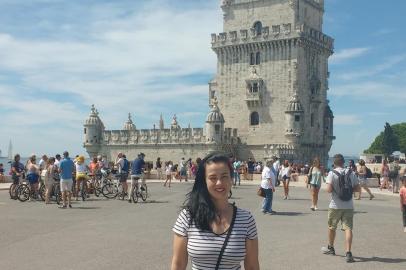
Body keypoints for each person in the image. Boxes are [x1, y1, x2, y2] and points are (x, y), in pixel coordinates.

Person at [171, 153, 259, 270]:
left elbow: (252, 266)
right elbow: (178, 264)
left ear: (231, 179)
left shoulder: (246, 220)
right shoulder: (188, 217)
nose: (219, 183)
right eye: (213, 178)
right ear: (204, 181)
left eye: (224, 176)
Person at [322, 154, 360, 263]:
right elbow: (357, 188)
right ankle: (348, 252)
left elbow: (328, 189)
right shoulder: (351, 173)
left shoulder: (331, 173)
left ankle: (331, 247)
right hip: (348, 205)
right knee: (348, 228)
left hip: (335, 205)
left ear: (334, 163)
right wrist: (347, 190)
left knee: (332, 227)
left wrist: (337, 190)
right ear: (344, 162)